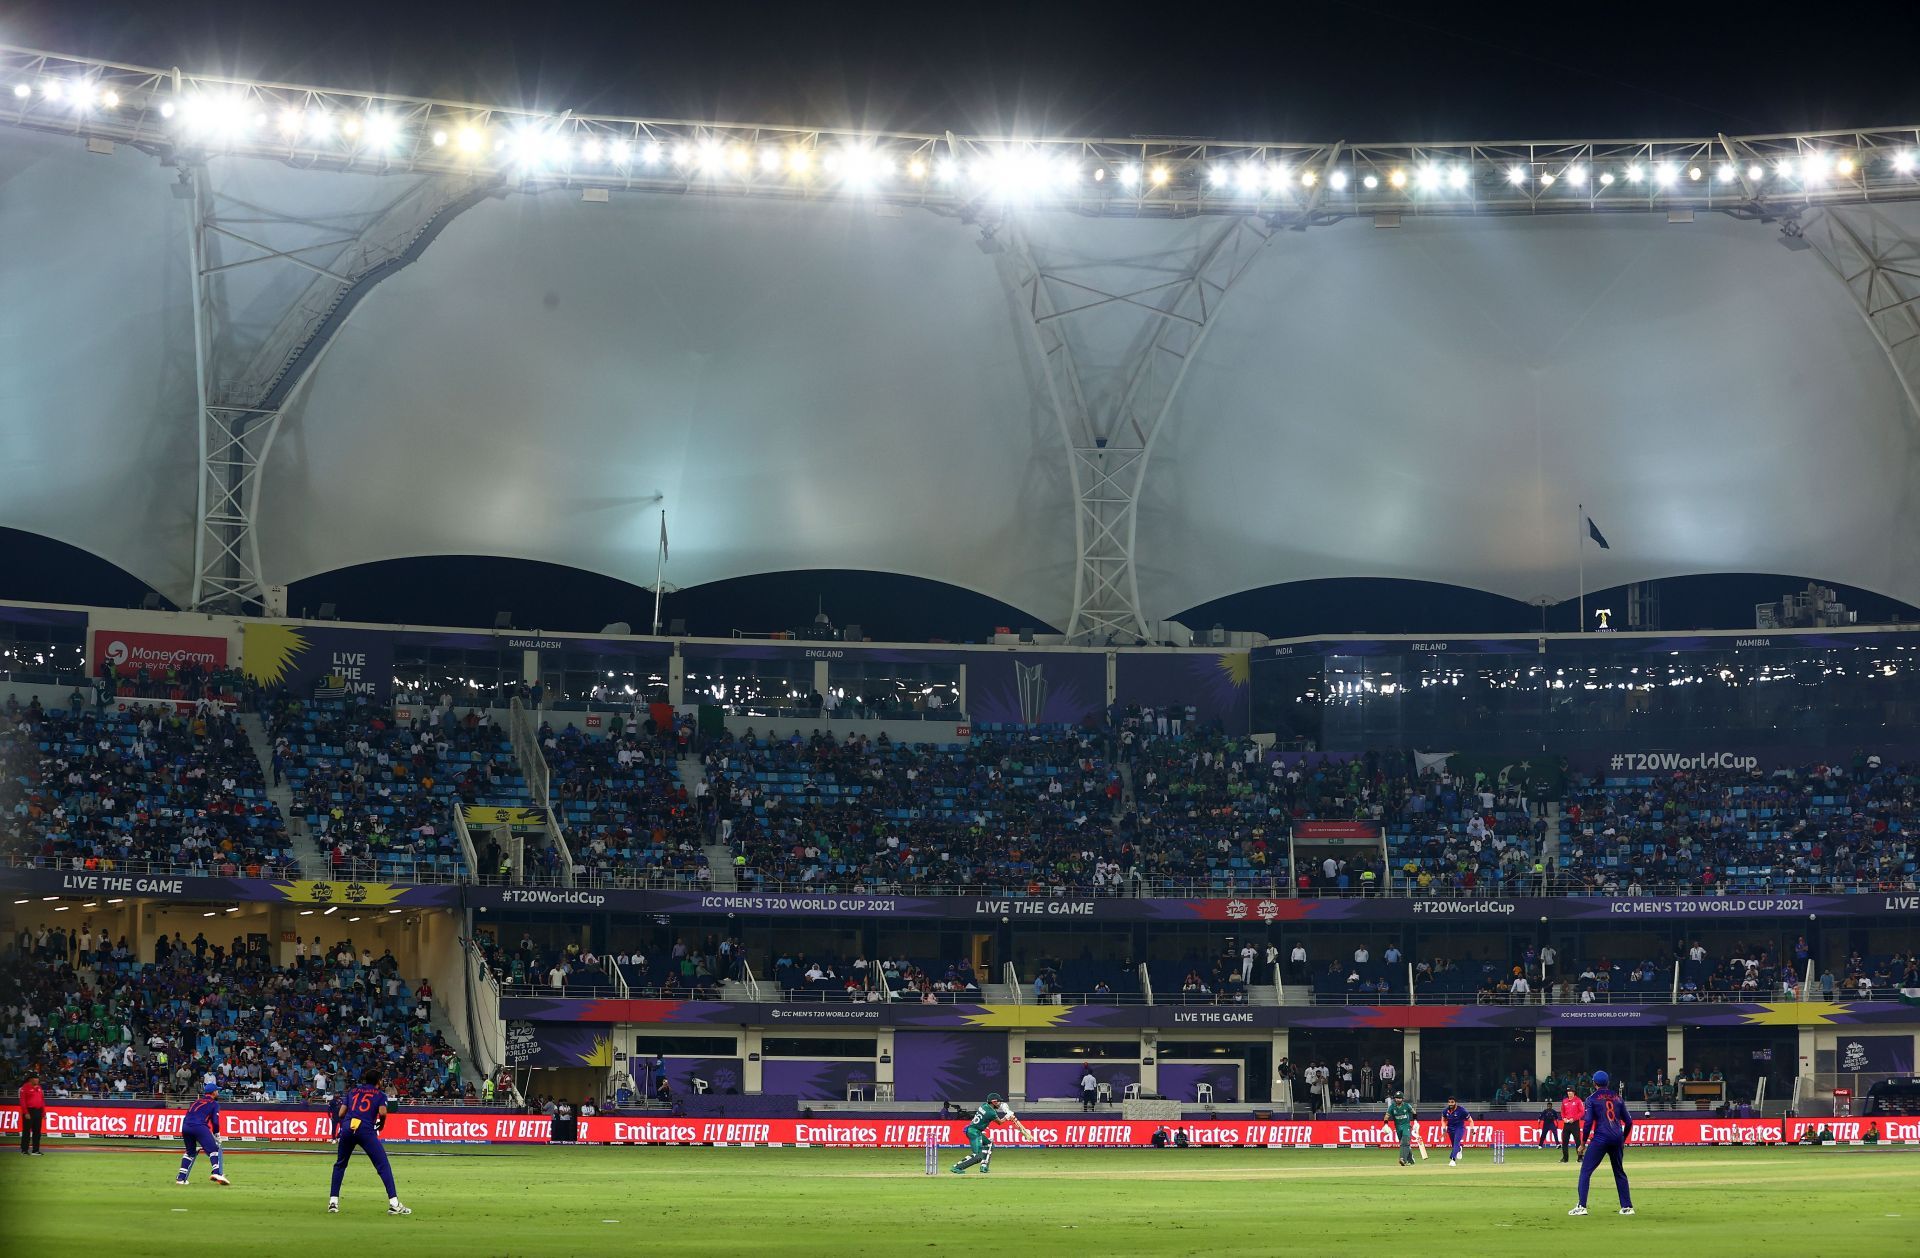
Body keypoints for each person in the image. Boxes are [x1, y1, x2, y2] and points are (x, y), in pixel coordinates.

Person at [328, 1068, 412, 1215]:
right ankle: (394, 1203)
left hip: (348, 1128)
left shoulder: (353, 1092)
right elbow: (383, 1112)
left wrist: (349, 1123)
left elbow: (341, 1113)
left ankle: (333, 1202)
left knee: (340, 1164)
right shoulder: (380, 1094)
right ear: (379, 1081)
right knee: (383, 1165)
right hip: (365, 1130)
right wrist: (382, 1123)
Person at [1569, 1070, 1634, 1217]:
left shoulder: (1591, 1099)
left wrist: (1583, 1143)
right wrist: (1622, 1139)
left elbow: (1588, 1123)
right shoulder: (1617, 1097)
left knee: (1586, 1171)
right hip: (1617, 1137)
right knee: (1619, 1172)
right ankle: (1627, 1207)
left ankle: (1581, 1206)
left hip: (1601, 1138)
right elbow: (1629, 1122)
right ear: (1608, 1082)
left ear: (1594, 1083)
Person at [950, 1093, 1032, 1174]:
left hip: (973, 1130)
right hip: (974, 1132)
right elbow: (1000, 1122)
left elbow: (993, 1111)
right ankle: (956, 1167)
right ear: (994, 1102)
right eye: (998, 1102)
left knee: (989, 1144)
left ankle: (984, 1167)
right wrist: (1007, 1117)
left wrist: (1006, 1112)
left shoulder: (984, 1105)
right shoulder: (991, 1112)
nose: (999, 1104)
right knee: (978, 1156)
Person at [177, 1083, 231, 1186]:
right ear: (214, 1092)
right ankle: (216, 1173)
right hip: (199, 1126)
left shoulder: (195, 1102)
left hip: (185, 1126)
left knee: (190, 1152)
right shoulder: (214, 1104)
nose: (218, 1092)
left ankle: (181, 1178)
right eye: (217, 1090)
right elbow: (215, 1121)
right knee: (214, 1149)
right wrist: (217, 1134)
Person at [1383, 1091, 1417, 1167]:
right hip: (1398, 1127)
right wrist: (1385, 1125)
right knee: (1404, 1144)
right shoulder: (1392, 1107)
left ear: (1402, 1099)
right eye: (1396, 1098)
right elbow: (1386, 1116)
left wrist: (1415, 1122)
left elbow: (1414, 1112)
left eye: (1399, 1098)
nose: (1398, 1099)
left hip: (1406, 1126)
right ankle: (1411, 1160)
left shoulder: (1407, 1106)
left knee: (1404, 1142)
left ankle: (1403, 1159)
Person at [18, 1072, 45, 1156]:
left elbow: (42, 1100)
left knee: (37, 1132)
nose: (37, 1080)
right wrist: (26, 1112)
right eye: (36, 1078)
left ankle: (35, 1150)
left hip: (38, 1111)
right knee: (26, 1131)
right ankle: (24, 1150)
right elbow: (22, 1101)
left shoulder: (39, 1088)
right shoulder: (24, 1088)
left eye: (38, 1078)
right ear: (30, 1079)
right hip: (29, 1111)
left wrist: (44, 1112)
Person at [1442, 1096, 1471, 1166]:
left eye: (1452, 1102)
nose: (1450, 1104)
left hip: (1460, 1128)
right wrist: (1444, 1130)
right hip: (1450, 1129)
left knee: (1456, 1143)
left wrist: (1472, 1129)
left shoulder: (1462, 1110)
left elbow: (1471, 1120)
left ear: (1455, 1103)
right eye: (1449, 1102)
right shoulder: (1446, 1111)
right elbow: (1443, 1120)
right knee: (1454, 1145)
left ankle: (1453, 1160)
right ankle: (1459, 1148)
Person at [1559, 1087, 1586, 1163]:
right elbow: (1562, 1111)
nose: (1569, 1093)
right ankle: (1565, 1158)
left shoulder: (1578, 1101)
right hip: (1566, 1124)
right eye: (1568, 1091)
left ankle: (1580, 1157)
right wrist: (1563, 1118)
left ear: (1574, 1092)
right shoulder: (1564, 1101)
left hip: (1575, 1123)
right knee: (1564, 1142)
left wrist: (1573, 1119)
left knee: (1577, 1141)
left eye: (1571, 1091)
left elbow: (1582, 1112)